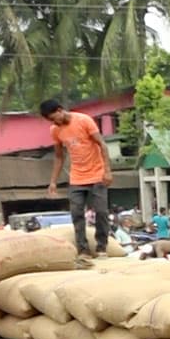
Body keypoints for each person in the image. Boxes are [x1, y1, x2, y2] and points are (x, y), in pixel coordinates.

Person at [41, 99, 113, 257]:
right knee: (76, 213)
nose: (54, 122)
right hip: (77, 178)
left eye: (54, 118)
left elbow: (102, 144)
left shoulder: (84, 120)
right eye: (51, 121)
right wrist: (53, 181)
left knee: (101, 212)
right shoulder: (55, 130)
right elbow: (59, 157)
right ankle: (83, 249)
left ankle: (101, 247)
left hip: (97, 174)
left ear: (60, 110)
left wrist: (107, 171)